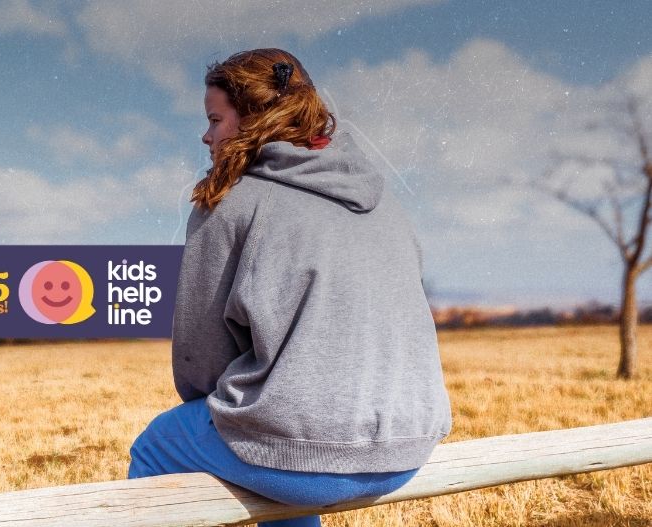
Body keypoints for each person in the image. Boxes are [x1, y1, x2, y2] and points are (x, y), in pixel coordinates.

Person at [127, 48, 452, 527]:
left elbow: (200, 360)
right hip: (408, 446)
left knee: (159, 446)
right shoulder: (383, 201)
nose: (206, 135)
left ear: (252, 119)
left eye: (215, 120)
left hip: (307, 458)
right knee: (276, 437)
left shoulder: (229, 199)